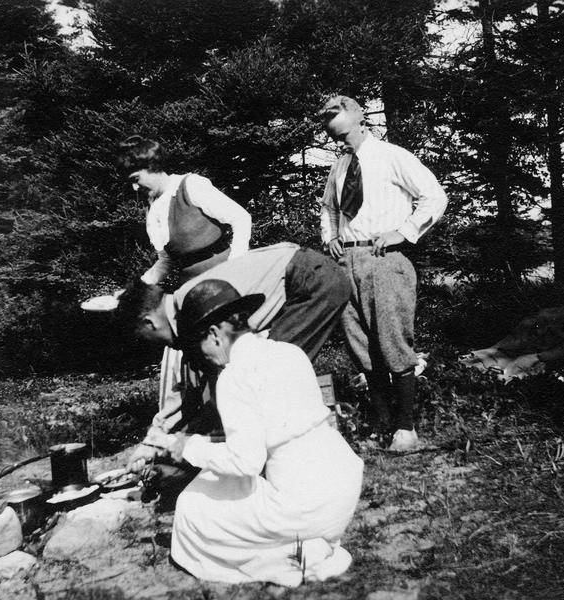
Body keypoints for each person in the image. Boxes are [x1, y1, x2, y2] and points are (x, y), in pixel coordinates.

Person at [165, 279, 364, 586]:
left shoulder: (233, 376)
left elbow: (245, 463)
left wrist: (188, 447)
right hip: (343, 488)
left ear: (215, 334)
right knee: (226, 486)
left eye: (200, 345)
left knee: (193, 506)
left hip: (306, 506)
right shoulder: (289, 352)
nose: (203, 357)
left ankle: (297, 554)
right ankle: (307, 543)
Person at [113, 242, 351, 478]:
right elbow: (191, 386)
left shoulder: (189, 305)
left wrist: (168, 441)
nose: (154, 345)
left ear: (149, 322)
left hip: (313, 281)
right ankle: (250, 456)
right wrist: (156, 439)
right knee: (255, 379)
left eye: (144, 338)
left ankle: (276, 464)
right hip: (309, 272)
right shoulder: (180, 304)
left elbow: (199, 384)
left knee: (266, 374)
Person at [317, 95, 448, 452]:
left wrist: (404, 232)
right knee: (360, 344)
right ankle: (381, 425)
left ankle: (405, 429)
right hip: (347, 260)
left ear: (361, 122)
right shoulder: (340, 167)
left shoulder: (392, 156)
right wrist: (331, 237)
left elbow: (434, 196)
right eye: (335, 138)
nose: (341, 143)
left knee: (392, 341)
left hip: (384, 258)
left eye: (344, 135)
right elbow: (329, 209)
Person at [118, 136, 252, 286]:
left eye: (136, 179)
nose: (135, 188)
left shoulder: (191, 185)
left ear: (152, 166)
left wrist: (235, 265)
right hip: (191, 287)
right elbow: (166, 261)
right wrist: (134, 290)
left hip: (226, 276)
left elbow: (241, 218)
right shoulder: (153, 210)